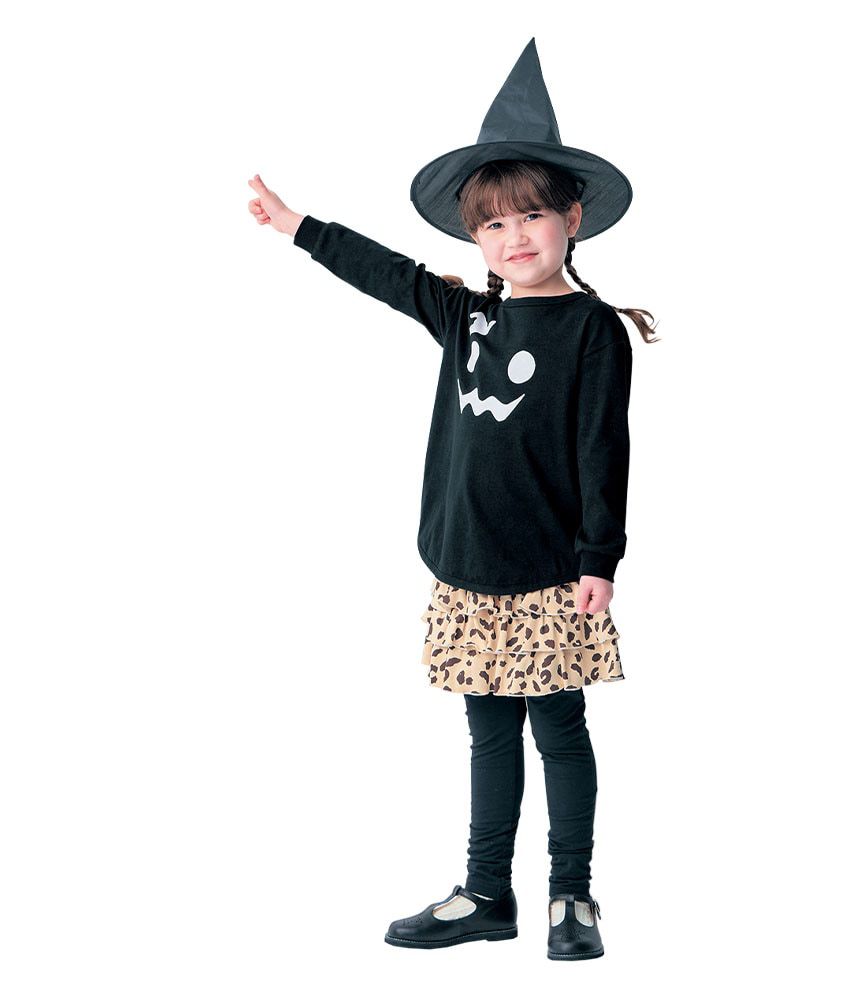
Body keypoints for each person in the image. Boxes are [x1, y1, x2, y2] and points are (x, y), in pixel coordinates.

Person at [247, 38, 657, 961]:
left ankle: (571, 895)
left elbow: (604, 449)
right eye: (493, 225)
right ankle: (485, 893)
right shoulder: (467, 317)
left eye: (533, 216)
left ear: (572, 218)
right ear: (475, 239)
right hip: (467, 566)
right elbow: (386, 273)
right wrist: (297, 225)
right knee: (487, 734)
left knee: (559, 728)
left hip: (552, 573)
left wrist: (599, 558)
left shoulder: (592, 331)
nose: (515, 238)